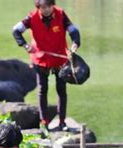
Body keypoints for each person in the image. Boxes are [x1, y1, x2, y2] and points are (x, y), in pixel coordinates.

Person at [12, 0, 81, 131]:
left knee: (61, 90)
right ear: (38, 7)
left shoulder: (61, 14)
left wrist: (75, 43)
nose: (47, 9)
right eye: (43, 7)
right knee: (42, 90)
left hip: (60, 59)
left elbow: (73, 30)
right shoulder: (31, 18)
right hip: (40, 59)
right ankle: (44, 122)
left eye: (49, 6)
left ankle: (62, 122)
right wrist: (25, 45)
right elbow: (16, 30)